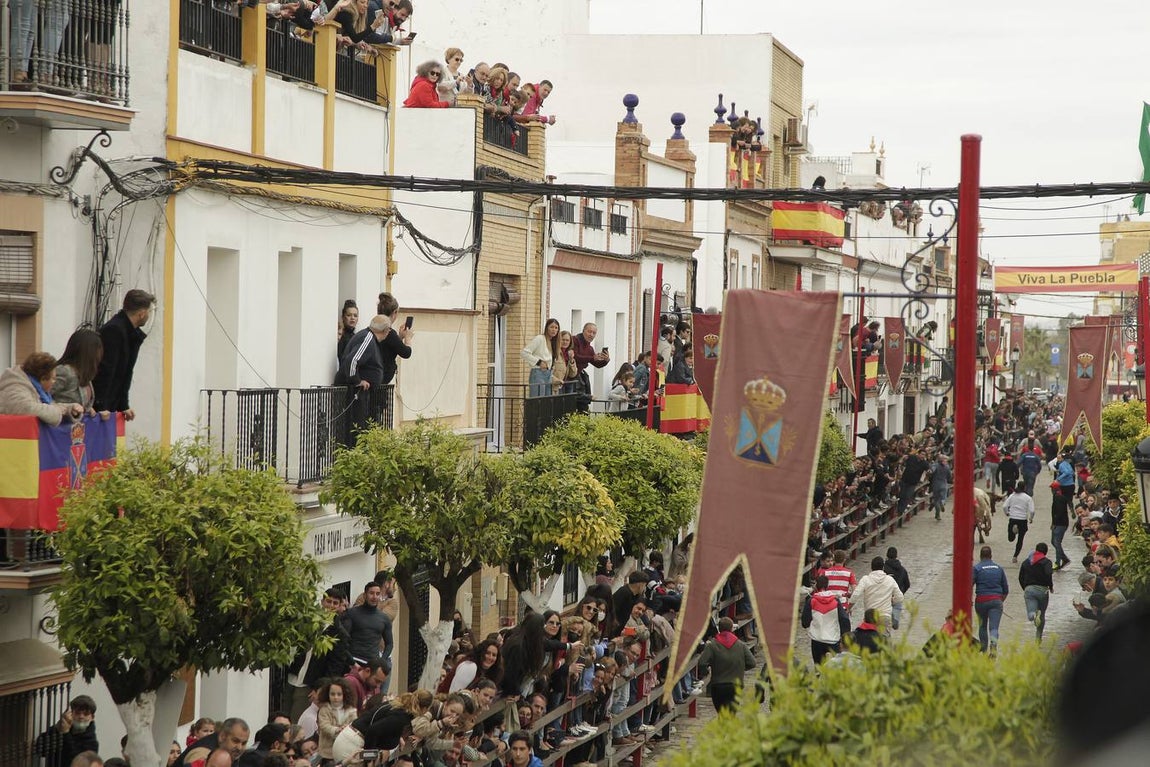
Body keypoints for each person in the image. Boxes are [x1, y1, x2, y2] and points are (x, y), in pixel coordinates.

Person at [92, 288, 154, 420]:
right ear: (142, 313)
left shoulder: (130, 332)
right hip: (102, 408)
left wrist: (123, 405)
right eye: (149, 311)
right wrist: (101, 405)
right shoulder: (114, 330)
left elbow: (126, 372)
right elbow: (106, 370)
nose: (149, 315)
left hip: (111, 406)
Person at [331, 690, 433, 764]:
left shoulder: (397, 705)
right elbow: (373, 730)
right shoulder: (402, 717)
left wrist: (398, 737)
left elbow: (384, 726)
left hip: (348, 739)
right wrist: (369, 760)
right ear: (424, 709)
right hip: (353, 746)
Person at [0, 352, 84, 424]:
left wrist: (69, 408)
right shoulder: (15, 388)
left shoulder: (35, 389)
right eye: (53, 378)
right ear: (43, 379)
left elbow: (45, 405)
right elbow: (29, 408)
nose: (54, 382)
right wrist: (59, 412)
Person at [696, 616, 756, 713]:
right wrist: (740, 668)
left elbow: (702, 663)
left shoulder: (712, 645)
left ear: (719, 629)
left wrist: (705, 672)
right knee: (731, 715)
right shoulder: (740, 645)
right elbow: (752, 663)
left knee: (721, 714)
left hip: (718, 685)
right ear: (732, 628)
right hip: (736, 685)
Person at [33, 695, 99, 767]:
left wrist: (65, 734)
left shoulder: (92, 743)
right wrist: (57, 728)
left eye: (86, 714)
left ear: (92, 717)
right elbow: (40, 748)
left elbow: (76, 762)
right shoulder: (61, 729)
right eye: (77, 713)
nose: (81, 717)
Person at [800, 575, 851, 664]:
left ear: (816, 586)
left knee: (819, 667)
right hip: (833, 638)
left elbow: (805, 622)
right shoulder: (835, 602)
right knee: (837, 666)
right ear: (827, 586)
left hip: (817, 638)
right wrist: (844, 635)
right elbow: (844, 619)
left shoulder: (811, 601)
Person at [53, 328, 106, 414]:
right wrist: (67, 409)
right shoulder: (64, 371)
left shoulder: (84, 374)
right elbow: (42, 398)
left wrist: (89, 410)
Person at [345, 581, 394, 666]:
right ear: (365, 595)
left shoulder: (384, 618)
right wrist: (352, 662)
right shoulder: (351, 613)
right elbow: (342, 640)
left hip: (372, 665)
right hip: (352, 664)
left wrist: (381, 661)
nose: (374, 597)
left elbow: (389, 644)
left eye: (377, 594)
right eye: (371, 593)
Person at [854, 556, 904, 634]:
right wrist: (892, 601)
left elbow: (856, 594)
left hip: (870, 616)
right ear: (883, 567)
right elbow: (900, 597)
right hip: (885, 615)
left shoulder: (865, 579)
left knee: (870, 640)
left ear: (871, 567)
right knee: (885, 641)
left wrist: (849, 607)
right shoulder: (890, 580)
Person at [972, 546, 1008, 655]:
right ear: (991, 556)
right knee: (994, 627)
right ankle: (993, 645)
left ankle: (983, 649)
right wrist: (1000, 601)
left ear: (980, 556)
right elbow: (1005, 589)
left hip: (981, 600)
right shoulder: (999, 568)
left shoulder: (977, 568)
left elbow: (969, 585)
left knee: (982, 626)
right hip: (996, 601)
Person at [176, 718, 250, 767]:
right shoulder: (202, 753)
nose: (239, 747)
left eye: (244, 743)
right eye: (235, 741)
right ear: (222, 736)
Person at [1019, 541, 1054, 642]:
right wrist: (1050, 586)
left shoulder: (1026, 562)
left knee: (1031, 614)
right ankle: (1038, 637)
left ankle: (1034, 615)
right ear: (1045, 552)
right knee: (1042, 614)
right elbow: (1048, 575)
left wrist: (1025, 588)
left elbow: (1020, 577)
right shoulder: (1047, 562)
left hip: (1029, 590)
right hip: (1043, 590)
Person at [375, 293, 413, 385]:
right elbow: (406, 353)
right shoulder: (389, 332)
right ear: (394, 312)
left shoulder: (376, 328)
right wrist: (408, 339)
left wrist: (399, 337)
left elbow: (390, 346)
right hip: (381, 381)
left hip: (377, 377)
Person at [316, 678, 356, 763]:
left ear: (344, 695)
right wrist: (336, 730)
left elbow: (355, 725)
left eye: (339, 694)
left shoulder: (351, 710)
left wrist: (347, 729)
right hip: (327, 753)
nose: (335, 697)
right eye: (332, 694)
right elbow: (324, 726)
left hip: (345, 751)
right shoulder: (324, 710)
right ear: (328, 694)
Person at [522, 319, 560, 397]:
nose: (554, 330)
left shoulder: (554, 342)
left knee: (546, 402)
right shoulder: (540, 338)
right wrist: (539, 362)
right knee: (537, 401)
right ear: (547, 328)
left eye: (556, 328)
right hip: (538, 372)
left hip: (549, 374)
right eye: (551, 327)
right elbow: (524, 353)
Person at [570, 322, 609, 395]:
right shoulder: (575, 340)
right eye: (589, 331)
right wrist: (592, 358)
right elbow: (575, 357)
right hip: (569, 375)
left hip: (578, 376)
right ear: (583, 330)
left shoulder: (590, 348)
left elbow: (596, 364)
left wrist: (606, 360)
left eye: (594, 333)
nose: (591, 335)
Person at [1004, 480, 1036, 562]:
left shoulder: (1012, 496)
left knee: (1010, 539)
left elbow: (1004, 506)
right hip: (1022, 520)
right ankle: (1015, 556)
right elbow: (1032, 511)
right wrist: (1031, 518)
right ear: (1025, 487)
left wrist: (1007, 513)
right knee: (1020, 539)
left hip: (1013, 518)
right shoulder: (1028, 498)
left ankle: (1013, 532)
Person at [1050, 490, 1072, 570]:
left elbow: (1059, 512)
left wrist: (1055, 522)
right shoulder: (1059, 497)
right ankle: (1064, 558)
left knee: (1056, 542)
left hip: (1060, 524)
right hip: (1060, 523)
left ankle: (1058, 562)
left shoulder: (1058, 498)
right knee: (1054, 542)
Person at [928, 453, 953, 520]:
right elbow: (949, 476)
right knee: (943, 498)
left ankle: (937, 514)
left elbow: (932, 471)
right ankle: (941, 503)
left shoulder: (935, 465)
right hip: (944, 484)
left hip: (936, 484)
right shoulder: (947, 467)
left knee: (936, 500)